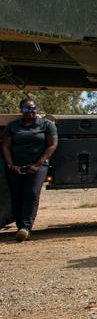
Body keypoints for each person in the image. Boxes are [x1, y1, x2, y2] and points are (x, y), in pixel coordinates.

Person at [2, 98, 58, 242]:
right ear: (21, 111)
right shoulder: (13, 126)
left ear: (37, 109)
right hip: (16, 167)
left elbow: (52, 145)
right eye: (26, 110)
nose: (30, 112)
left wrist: (38, 164)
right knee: (16, 195)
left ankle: (26, 228)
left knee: (31, 193)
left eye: (32, 109)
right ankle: (20, 226)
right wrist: (10, 165)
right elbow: (6, 146)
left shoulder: (46, 125)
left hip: (37, 167)